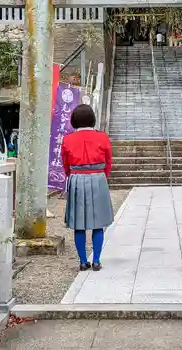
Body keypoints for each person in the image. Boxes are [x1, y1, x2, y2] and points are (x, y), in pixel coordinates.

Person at [61, 104, 115, 271]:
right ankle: (97, 260)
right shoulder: (103, 137)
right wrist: (101, 176)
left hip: (76, 178)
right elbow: (108, 161)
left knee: (79, 223)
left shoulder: (67, 139)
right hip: (98, 177)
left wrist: (73, 175)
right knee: (98, 223)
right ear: (92, 119)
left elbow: (66, 164)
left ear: (74, 120)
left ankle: (83, 261)